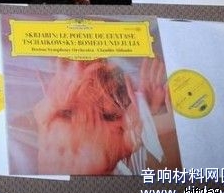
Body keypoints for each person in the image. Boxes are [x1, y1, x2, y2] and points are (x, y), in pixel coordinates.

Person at [31, 57, 170, 175]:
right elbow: (135, 135)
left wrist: (146, 112)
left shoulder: (114, 136)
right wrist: (145, 110)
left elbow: (137, 135)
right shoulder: (56, 109)